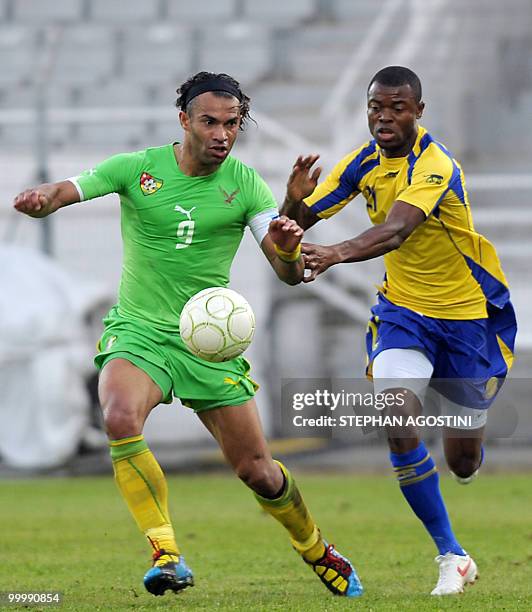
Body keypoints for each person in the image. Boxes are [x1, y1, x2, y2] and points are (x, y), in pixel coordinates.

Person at [13, 72, 362, 599]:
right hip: (140, 332)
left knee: (258, 472)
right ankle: (166, 552)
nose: (222, 134)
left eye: (232, 124)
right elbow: (69, 188)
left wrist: (290, 231)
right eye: (210, 122)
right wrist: (45, 199)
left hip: (209, 343)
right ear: (184, 121)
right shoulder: (137, 168)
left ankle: (316, 547)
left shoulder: (246, 185)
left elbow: (286, 271)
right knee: (118, 415)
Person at [281, 66, 516, 596]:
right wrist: (294, 200)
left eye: (397, 108)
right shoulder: (361, 162)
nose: (384, 117)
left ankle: (465, 463)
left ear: (418, 111)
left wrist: (338, 252)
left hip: (466, 318)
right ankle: (451, 554)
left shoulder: (435, 164)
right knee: (396, 416)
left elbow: (398, 228)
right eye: (375, 108)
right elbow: (291, 228)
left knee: (463, 459)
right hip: (403, 314)